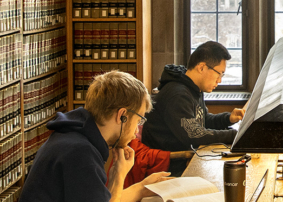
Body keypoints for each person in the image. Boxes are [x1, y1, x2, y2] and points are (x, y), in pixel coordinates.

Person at [18, 70, 171, 202]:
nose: (137, 131)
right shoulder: (80, 153)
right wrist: (118, 177)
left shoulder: (74, 135)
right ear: (122, 116)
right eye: (138, 120)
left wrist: (141, 189)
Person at [141, 41, 245, 175]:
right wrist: (237, 135)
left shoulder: (194, 88)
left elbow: (203, 120)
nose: (220, 80)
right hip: (169, 169)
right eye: (219, 73)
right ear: (201, 67)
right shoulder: (177, 95)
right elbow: (195, 135)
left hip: (187, 160)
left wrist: (228, 118)